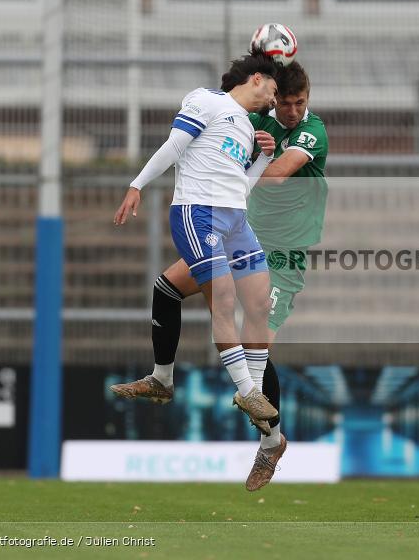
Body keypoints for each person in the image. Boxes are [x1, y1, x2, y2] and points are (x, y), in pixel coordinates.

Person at [111, 62, 329, 491]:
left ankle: (270, 440)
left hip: (282, 251)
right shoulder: (246, 118)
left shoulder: (311, 130)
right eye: (281, 101)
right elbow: (223, 112)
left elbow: (276, 175)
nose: (288, 109)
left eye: (296, 103)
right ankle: (163, 377)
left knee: (256, 335)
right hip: (233, 228)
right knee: (168, 288)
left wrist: (259, 156)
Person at [112, 53, 281, 438]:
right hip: (198, 214)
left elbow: (240, 187)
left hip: (235, 220)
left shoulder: (244, 127)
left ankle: (251, 395)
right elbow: (175, 146)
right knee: (223, 299)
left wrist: (263, 160)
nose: (274, 100)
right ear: (256, 78)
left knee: (258, 302)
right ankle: (248, 393)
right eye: (273, 90)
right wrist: (137, 184)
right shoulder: (206, 100)